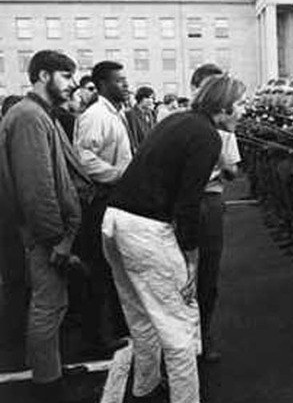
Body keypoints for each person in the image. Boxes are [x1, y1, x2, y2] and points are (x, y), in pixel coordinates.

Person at [101, 75, 242, 403]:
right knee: (179, 328)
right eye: (239, 104)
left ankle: (145, 387)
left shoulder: (175, 120)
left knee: (140, 317)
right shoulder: (208, 136)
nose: (243, 111)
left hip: (114, 221)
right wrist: (191, 258)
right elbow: (188, 202)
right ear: (223, 107)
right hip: (146, 231)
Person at [0, 50, 92, 403]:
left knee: (54, 305)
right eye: (66, 76)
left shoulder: (38, 114)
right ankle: (47, 385)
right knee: (47, 306)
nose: (73, 85)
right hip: (44, 237)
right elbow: (37, 189)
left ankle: (50, 368)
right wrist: (58, 241)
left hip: (48, 234)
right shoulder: (28, 117)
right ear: (42, 76)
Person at [74, 60, 132, 357]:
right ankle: (97, 338)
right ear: (103, 85)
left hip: (114, 196)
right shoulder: (96, 116)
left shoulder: (114, 113)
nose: (126, 85)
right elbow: (84, 158)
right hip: (101, 198)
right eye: (119, 81)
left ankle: (118, 328)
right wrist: (118, 175)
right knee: (99, 269)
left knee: (113, 268)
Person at [191, 64, 244, 363]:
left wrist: (220, 165)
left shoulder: (224, 128)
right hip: (190, 202)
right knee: (186, 272)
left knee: (207, 274)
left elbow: (232, 169)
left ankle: (204, 333)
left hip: (210, 200)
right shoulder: (194, 124)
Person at [125, 86, 156, 152]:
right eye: (148, 98)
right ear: (140, 98)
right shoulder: (131, 113)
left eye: (152, 98)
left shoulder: (150, 113)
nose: (151, 101)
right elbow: (133, 136)